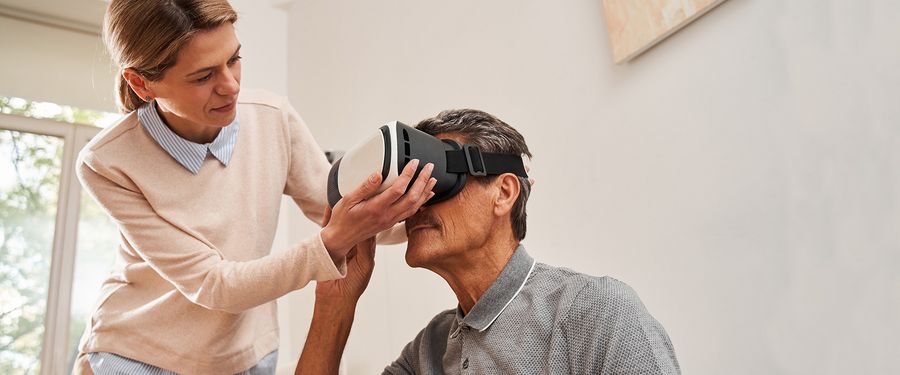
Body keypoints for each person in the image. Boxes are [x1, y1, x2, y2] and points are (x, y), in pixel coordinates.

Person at [71, 1, 437, 374]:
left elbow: (341, 209)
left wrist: (432, 203)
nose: (230, 86)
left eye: (234, 59)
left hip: (246, 355)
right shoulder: (107, 162)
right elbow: (213, 284)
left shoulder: (272, 118)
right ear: (141, 83)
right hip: (138, 354)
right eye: (202, 76)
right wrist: (333, 242)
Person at [295, 109, 681, 374]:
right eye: (409, 186)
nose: (414, 203)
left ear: (504, 192)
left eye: (437, 178)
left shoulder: (596, 313)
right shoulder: (428, 351)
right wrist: (335, 301)